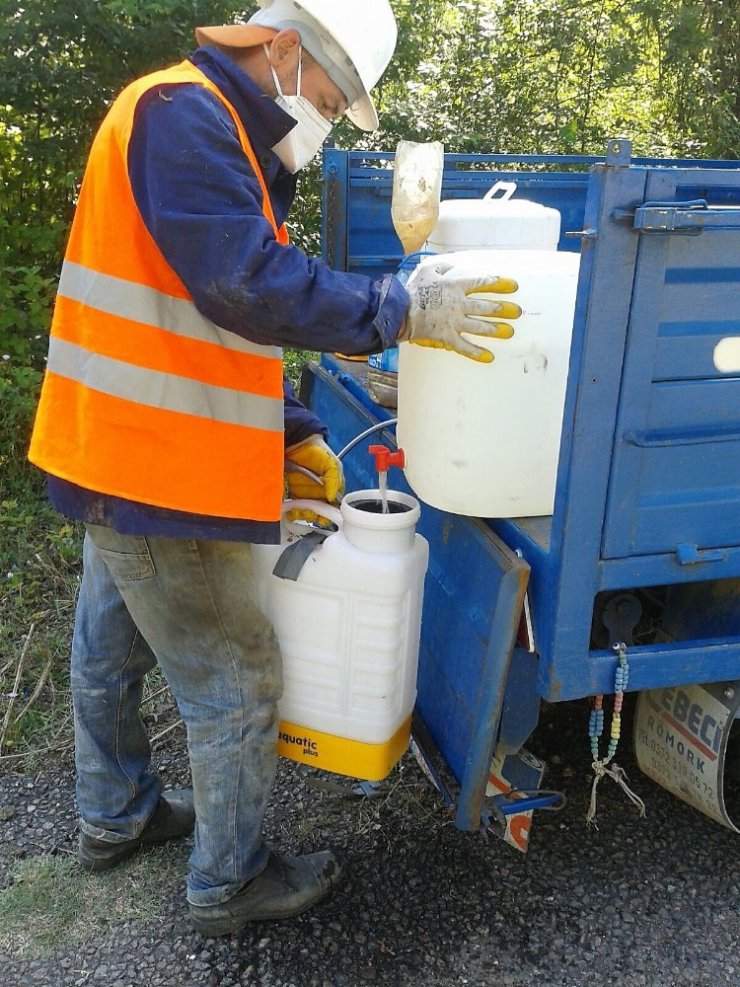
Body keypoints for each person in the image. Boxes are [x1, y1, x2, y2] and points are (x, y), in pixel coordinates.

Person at [28, 0, 509, 937]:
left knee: (109, 644)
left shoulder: (207, 127)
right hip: (159, 465)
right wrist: (396, 309)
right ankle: (230, 880)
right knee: (237, 674)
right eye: (329, 97)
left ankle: (114, 813)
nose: (324, 120)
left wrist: (289, 426)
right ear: (282, 50)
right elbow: (243, 281)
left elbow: (204, 310)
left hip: (113, 441)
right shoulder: (185, 116)